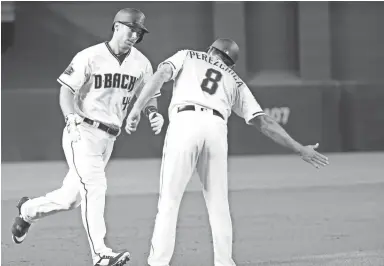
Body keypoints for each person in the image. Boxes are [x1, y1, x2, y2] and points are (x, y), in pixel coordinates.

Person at [125, 38, 330, 266]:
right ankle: (224, 262)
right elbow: (263, 122)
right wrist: (299, 148)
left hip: (185, 121)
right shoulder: (235, 80)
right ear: (230, 63)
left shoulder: (188, 55)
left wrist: (137, 108)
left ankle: (158, 263)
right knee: (218, 204)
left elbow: (162, 73)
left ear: (211, 50)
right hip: (216, 128)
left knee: (169, 201)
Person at [11, 8, 165, 266]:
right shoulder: (90, 56)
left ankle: (27, 211)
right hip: (82, 131)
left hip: (109, 139)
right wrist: (70, 117)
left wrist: (152, 113)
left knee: (70, 198)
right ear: (116, 27)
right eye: (131, 29)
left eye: (139, 32)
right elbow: (66, 91)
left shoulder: (141, 63)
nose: (134, 35)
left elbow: (149, 95)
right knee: (95, 187)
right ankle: (101, 254)